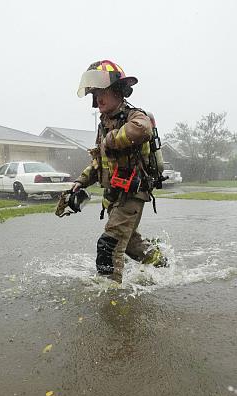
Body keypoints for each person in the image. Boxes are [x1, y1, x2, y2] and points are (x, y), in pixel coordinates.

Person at [70, 60, 166, 284]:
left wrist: (112, 139)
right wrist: (80, 182)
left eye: (102, 92)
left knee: (109, 244)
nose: (98, 98)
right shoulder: (104, 123)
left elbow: (143, 128)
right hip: (115, 196)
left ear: (117, 91)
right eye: (95, 93)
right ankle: (163, 263)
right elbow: (99, 161)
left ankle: (110, 293)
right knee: (131, 244)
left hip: (132, 193)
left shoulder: (134, 115)